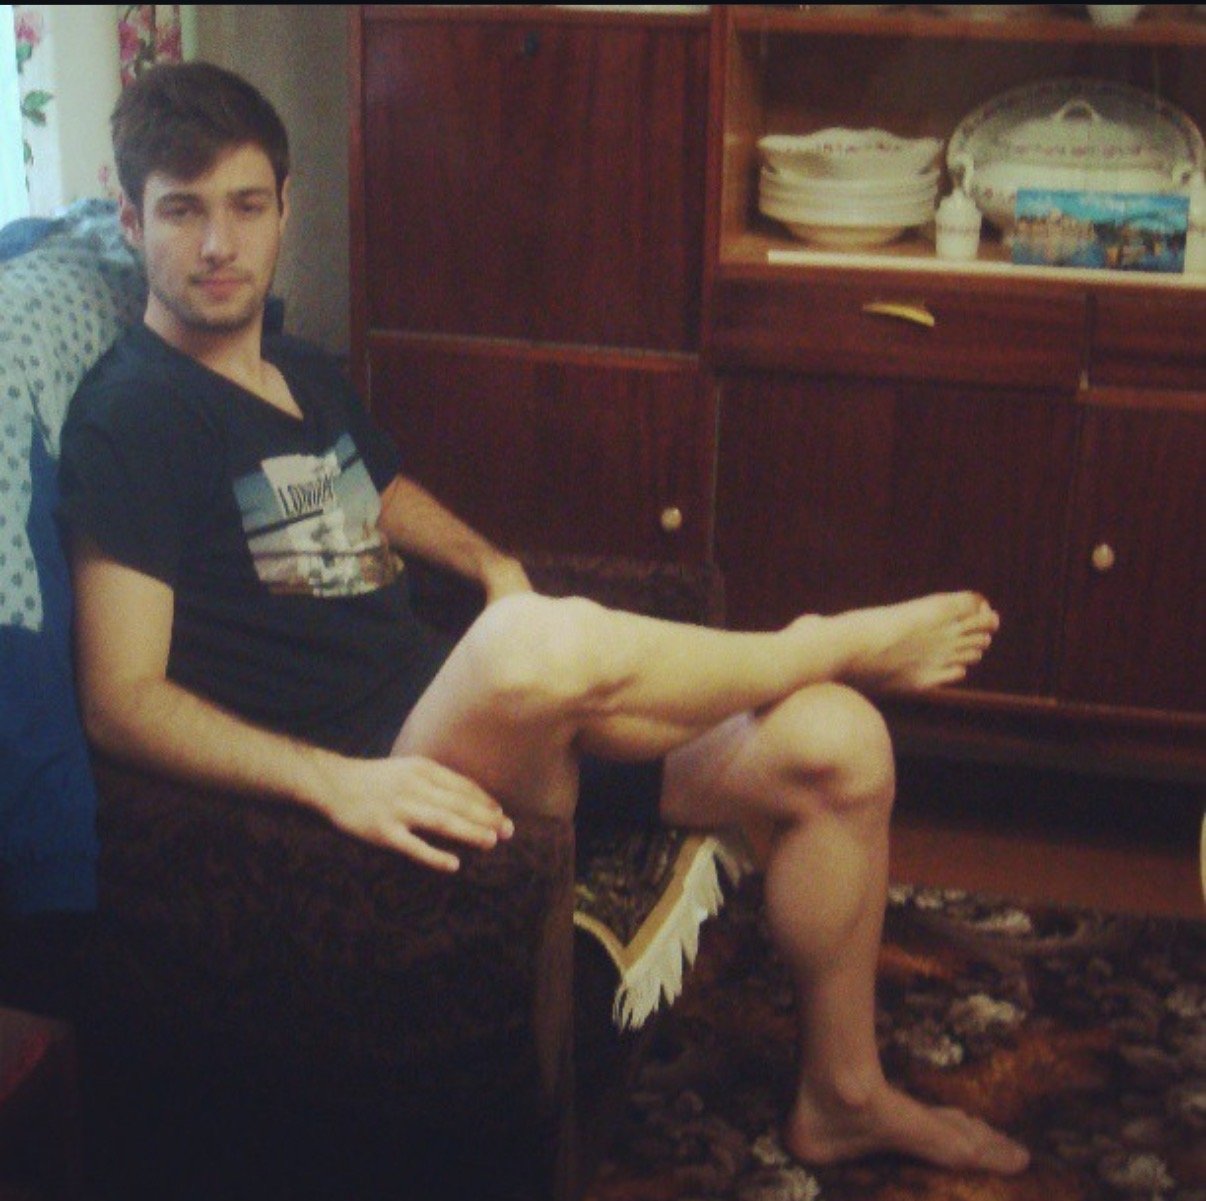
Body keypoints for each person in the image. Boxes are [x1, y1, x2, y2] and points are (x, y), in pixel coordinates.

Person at [59, 61, 1030, 1178]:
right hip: (378, 778)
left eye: (243, 205)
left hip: (469, 721)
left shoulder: (299, 373)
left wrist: (491, 560)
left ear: (286, 205)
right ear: (131, 220)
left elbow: (375, 488)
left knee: (841, 742)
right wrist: (333, 783)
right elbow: (120, 701)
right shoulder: (132, 419)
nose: (217, 244)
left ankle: (844, 1095)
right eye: (181, 211)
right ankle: (822, 640)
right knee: (532, 643)